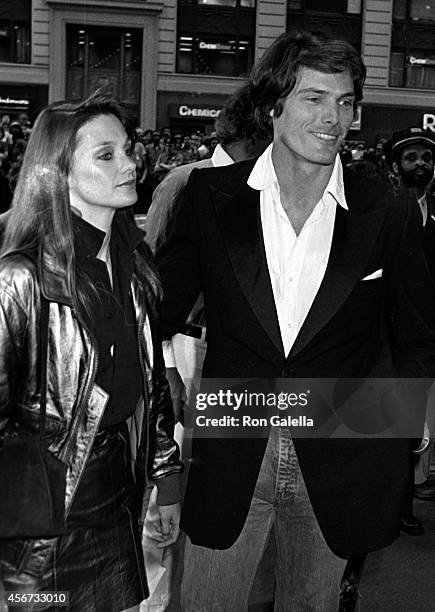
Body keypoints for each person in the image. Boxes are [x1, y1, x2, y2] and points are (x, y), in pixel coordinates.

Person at [155, 30, 435, 610]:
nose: (334, 117)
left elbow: (416, 335)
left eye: (346, 101)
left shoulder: (388, 209)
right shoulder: (208, 196)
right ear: (273, 106)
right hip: (233, 437)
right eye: (315, 98)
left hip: (345, 445)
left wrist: (405, 429)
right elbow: (157, 311)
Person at [0, 94, 182, 612]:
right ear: (58, 172)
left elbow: (150, 387)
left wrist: (165, 479)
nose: (130, 164)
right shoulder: (21, 277)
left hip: (117, 490)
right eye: (106, 155)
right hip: (39, 515)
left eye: (128, 150)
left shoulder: (135, 263)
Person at [143, 83, 272, 611]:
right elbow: (153, 283)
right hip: (187, 349)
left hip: (235, 363)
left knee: (221, 483)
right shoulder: (186, 182)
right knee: (175, 483)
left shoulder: (267, 186)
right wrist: (167, 366)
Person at [385, 127, 435, 529]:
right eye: (411, 158)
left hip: (428, 335)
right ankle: (393, 508)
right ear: (395, 166)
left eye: (426, 158)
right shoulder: (385, 208)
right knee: (395, 427)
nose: (420, 164)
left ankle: (405, 502)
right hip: (394, 336)